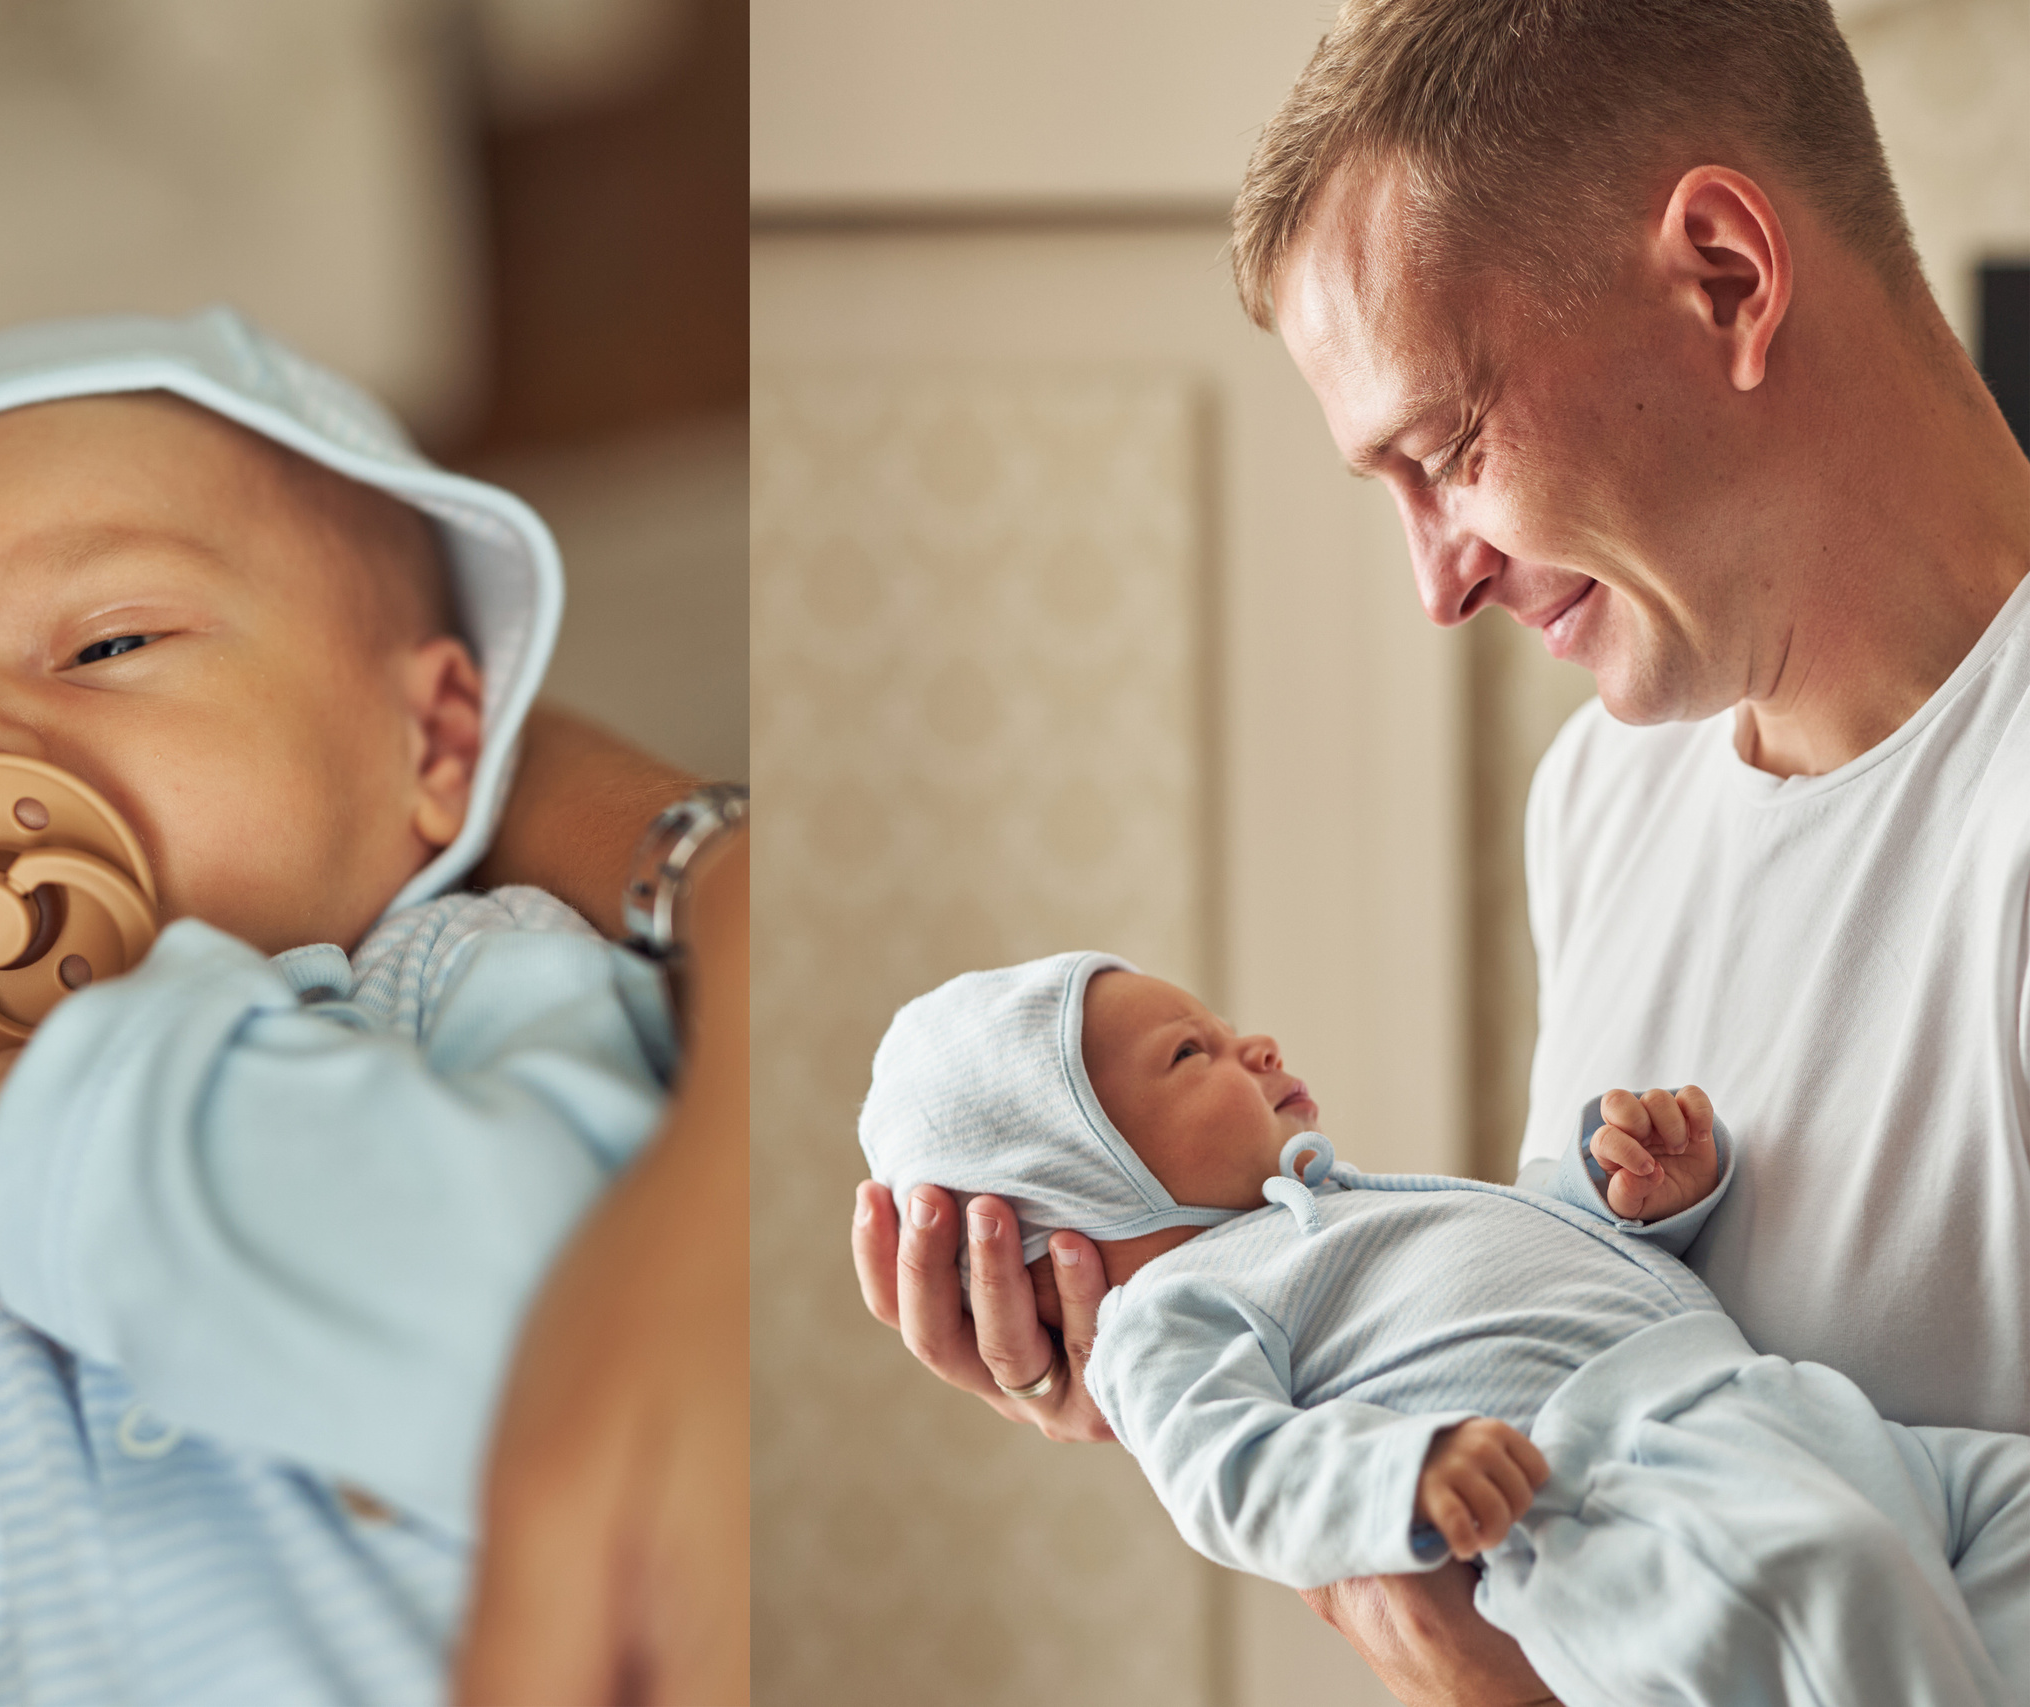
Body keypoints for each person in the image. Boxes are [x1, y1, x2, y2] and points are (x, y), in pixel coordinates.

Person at [851, 0, 2030, 1698]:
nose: (1438, 581)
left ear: (1725, 277)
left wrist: (1461, 1665)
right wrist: (1206, 1328)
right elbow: (1566, 1401)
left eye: (1452, 450)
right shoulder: (1603, 801)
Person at [0, 308, 699, 1707]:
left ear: (433, 744)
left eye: (107, 642)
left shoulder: (481, 985)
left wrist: (100, 1116)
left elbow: (561, 1350)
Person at [862, 952, 2030, 1705]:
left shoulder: (1338, 1207)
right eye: (1190, 1054)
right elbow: (1225, 1474)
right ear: (1085, 1189)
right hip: (1618, 1503)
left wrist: (1626, 1189)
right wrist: (1396, 1480)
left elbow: (1530, 1260)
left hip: (1786, 1414)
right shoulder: (1170, 1315)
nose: (1253, 1044)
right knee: (1830, 1584)